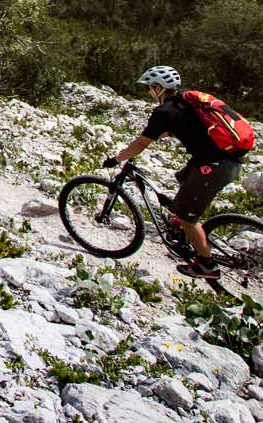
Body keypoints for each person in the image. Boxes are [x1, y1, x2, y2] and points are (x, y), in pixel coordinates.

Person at [104, 65, 248, 279]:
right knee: (182, 178)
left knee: (187, 217)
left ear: (158, 88)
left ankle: (206, 266)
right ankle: (181, 224)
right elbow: (179, 129)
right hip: (225, 161)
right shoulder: (186, 102)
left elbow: (141, 144)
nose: (149, 92)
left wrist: (117, 159)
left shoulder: (163, 112)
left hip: (214, 166)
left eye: (150, 88)